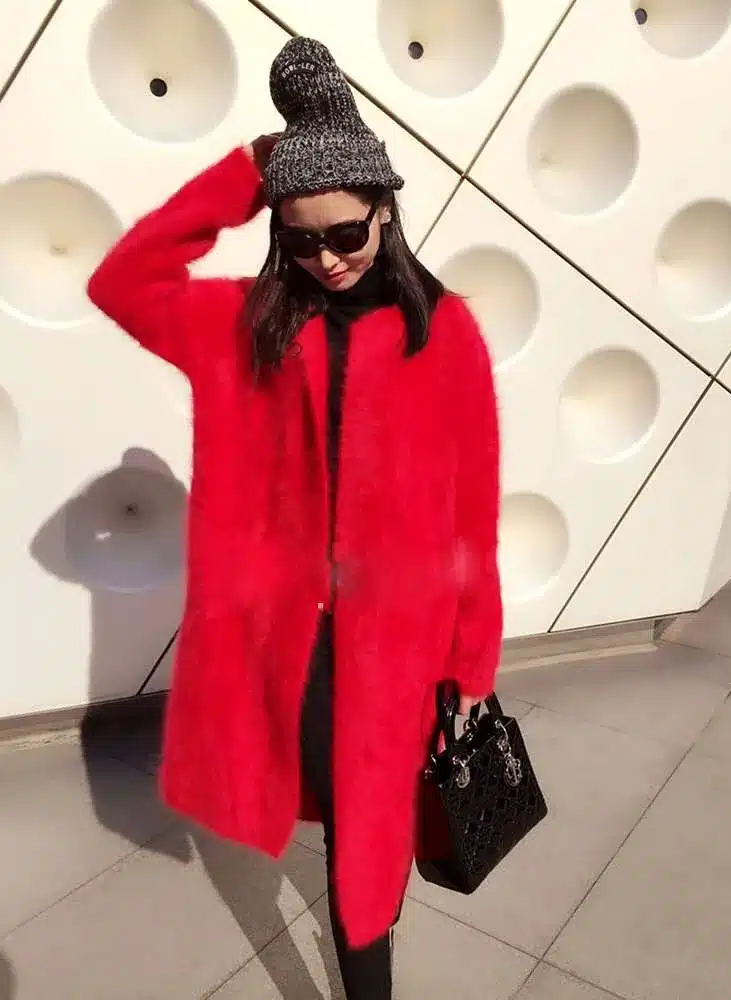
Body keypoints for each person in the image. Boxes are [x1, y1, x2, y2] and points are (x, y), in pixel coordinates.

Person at [87, 36, 502, 1000]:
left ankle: (370, 942)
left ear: (386, 209)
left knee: (373, 839)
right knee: (352, 825)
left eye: (346, 233)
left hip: (401, 639)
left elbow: (471, 517)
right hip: (295, 640)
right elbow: (122, 283)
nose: (327, 259)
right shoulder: (246, 326)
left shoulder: (446, 334)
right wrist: (251, 171)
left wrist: (472, 658)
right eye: (301, 238)